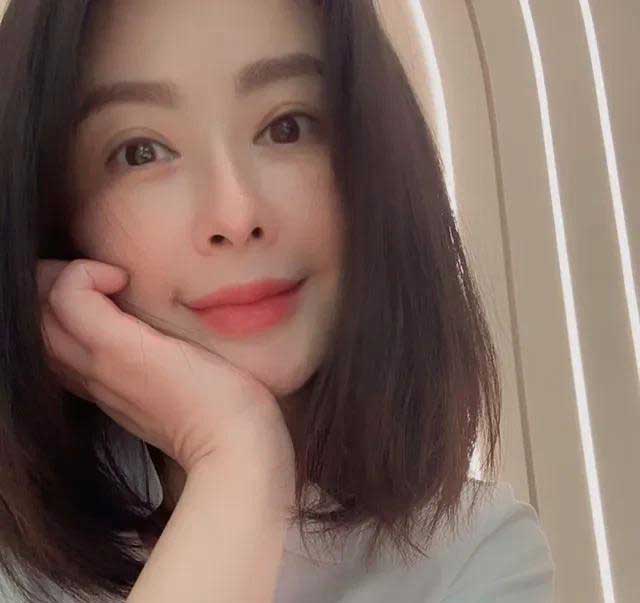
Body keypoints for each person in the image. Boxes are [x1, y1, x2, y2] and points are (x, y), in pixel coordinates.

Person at [0, 0, 555, 601]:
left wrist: (233, 453)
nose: (235, 215)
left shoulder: (476, 556)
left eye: (287, 127)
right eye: (141, 151)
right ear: (53, 213)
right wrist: (236, 454)